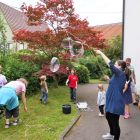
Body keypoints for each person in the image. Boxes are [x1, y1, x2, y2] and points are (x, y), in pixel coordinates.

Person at [96, 50, 126, 140]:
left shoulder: (120, 73)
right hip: (111, 101)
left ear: (120, 66)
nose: (115, 65)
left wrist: (101, 53)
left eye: (116, 64)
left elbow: (110, 64)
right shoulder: (116, 75)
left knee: (115, 122)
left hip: (116, 102)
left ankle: (115, 138)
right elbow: (114, 84)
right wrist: (108, 79)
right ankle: (111, 134)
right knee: (108, 116)